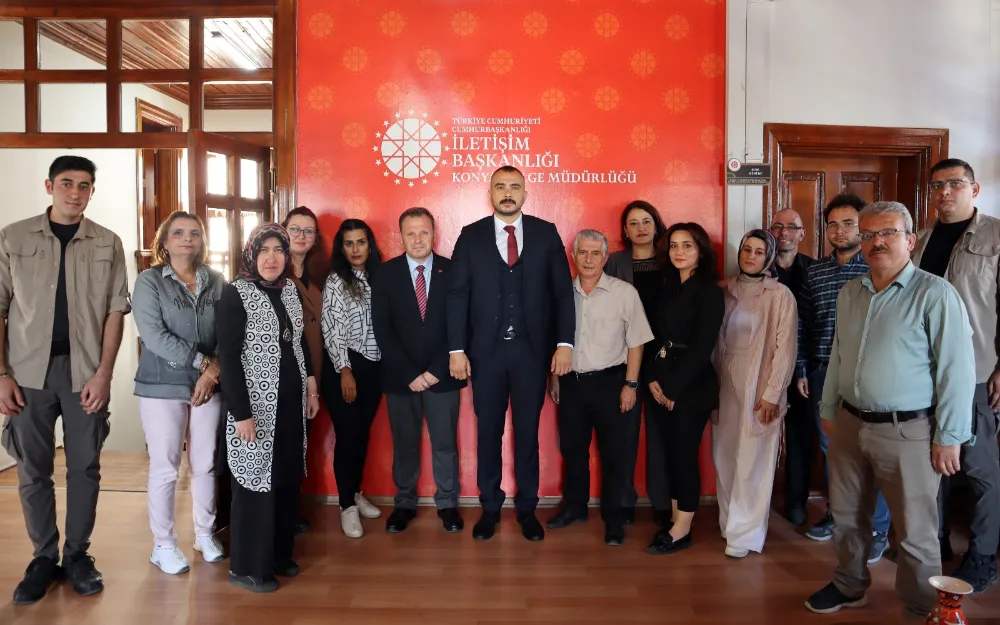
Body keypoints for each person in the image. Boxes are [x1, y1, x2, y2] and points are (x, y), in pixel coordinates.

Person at [804, 201, 975, 620]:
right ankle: (849, 583)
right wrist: (828, 408)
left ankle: (920, 608)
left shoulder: (936, 294)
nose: (876, 242)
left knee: (915, 531)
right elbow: (839, 356)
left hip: (909, 432)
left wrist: (950, 436)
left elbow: (957, 369)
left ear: (910, 241)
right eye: (868, 235)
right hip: (847, 423)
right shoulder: (851, 293)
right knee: (846, 516)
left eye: (888, 233)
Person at [0, 156, 130, 604]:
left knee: (85, 468)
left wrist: (104, 374)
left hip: (84, 375)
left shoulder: (108, 243)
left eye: (85, 185)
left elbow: (116, 310)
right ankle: (42, 558)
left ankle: (76, 556)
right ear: (49, 185)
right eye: (67, 183)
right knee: (32, 470)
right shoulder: (13, 237)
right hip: (25, 375)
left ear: (93, 191)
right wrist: (1, 374)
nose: (75, 192)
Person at [447, 165, 575, 542]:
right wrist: (457, 350)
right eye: (500, 186)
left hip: (531, 354)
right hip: (485, 355)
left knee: (527, 433)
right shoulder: (470, 236)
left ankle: (527, 509)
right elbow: (457, 296)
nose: (508, 193)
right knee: (488, 432)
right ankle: (489, 508)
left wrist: (564, 344)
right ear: (490, 193)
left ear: (525, 193)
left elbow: (561, 293)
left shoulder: (545, 233)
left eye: (514, 187)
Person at [216, 223, 320, 593]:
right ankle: (248, 568)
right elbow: (227, 358)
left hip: (290, 406)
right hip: (256, 409)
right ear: (251, 255)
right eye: (265, 251)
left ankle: (279, 555)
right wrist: (240, 412)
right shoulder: (235, 294)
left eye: (279, 250)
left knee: (285, 479)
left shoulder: (289, 289)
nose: (273, 258)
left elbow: (299, 343)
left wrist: (310, 385)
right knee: (255, 485)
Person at [912, 158, 1000, 592]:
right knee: (932, 461)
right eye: (937, 185)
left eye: (954, 183)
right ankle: (937, 541)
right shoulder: (922, 240)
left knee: (981, 468)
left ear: (974, 188)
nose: (944, 192)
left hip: (978, 370)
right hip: (924, 372)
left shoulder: (996, 236)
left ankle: (983, 556)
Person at [796, 194, 892, 565]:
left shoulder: (877, 269)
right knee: (834, 452)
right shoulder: (815, 272)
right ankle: (839, 516)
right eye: (833, 224)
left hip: (869, 373)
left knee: (873, 454)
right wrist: (802, 368)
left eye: (848, 223)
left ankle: (877, 528)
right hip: (823, 372)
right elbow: (803, 322)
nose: (840, 231)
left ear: (863, 227)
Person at [131, 211, 226, 575]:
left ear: (202, 241)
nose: (188, 239)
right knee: (166, 468)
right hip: (161, 386)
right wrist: (205, 363)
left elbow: (228, 330)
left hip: (208, 384)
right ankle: (164, 544)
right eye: (179, 233)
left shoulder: (216, 280)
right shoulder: (149, 281)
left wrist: (212, 370)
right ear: (165, 242)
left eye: (195, 233)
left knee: (204, 463)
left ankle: (204, 533)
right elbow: (153, 336)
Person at [546, 230, 653, 546]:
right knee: (573, 451)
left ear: (606, 257)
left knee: (615, 455)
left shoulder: (624, 293)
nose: (589, 259)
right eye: (583, 253)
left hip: (612, 383)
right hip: (572, 385)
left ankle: (614, 519)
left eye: (596, 253)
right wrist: (554, 378)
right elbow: (556, 342)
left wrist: (631, 385)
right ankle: (575, 508)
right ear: (574, 256)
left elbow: (636, 343)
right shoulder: (563, 293)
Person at [372, 207, 467, 533]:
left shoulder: (454, 271)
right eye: (410, 233)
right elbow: (382, 329)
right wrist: (411, 373)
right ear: (401, 236)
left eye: (423, 232)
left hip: (443, 375)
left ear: (433, 234)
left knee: (445, 443)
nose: (417, 239)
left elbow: (462, 325)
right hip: (402, 379)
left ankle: (448, 504)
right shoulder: (385, 274)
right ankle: (404, 504)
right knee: (405, 444)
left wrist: (435, 370)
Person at [713, 229, 797, 559]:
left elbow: (785, 350)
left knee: (754, 459)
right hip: (724, 379)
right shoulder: (724, 289)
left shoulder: (779, 295)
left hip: (759, 381)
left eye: (759, 252)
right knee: (725, 454)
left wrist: (773, 394)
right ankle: (728, 521)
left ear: (770, 256)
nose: (750, 256)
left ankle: (746, 533)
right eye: (746, 249)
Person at [644, 223, 725, 555]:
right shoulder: (665, 285)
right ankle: (677, 518)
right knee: (670, 454)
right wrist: (652, 377)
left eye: (687, 246)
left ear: (701, 251)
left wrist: (673, 390)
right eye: (674, 245)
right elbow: (654, 338)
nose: (679, 252)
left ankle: (682, 529)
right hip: (661, 380)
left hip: (692, 387)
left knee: (684, 456)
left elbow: (703, 345)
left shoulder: (709, 290)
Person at [603, 200, 669, 526]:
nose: (641, 227)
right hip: (623, 359)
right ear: (625, 231)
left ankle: (660, 502)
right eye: (633, 223)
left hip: (661, 360)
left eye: (646, 221)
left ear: (657, 226)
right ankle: (623, 501)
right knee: (623, 437)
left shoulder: (671, 261)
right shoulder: (613, 262)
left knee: (660, 437)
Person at [321, 219, 384, 538]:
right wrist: (345, 369)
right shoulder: (336, 281)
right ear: (341, 248)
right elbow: (332, 329)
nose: (356, 249)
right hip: (345, 368)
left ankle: (356, 492)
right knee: (347, 437)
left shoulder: (380, 277)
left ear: (370, 245)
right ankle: (346, 505)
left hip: (375, 368)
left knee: (362, 434)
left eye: (361, 242)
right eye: (349, 243)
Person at [282, 206, 330, 535]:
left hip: (316, 370)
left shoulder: (320, 272)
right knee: (283, 444)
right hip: (284, 373)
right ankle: (282, 509)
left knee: (302, 442)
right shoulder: (272, 269)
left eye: (308, 231)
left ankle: (293, 504)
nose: (301, 236)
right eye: (295, 229)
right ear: (283, 231)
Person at [768, 208, 815, 527]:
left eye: (791, 227)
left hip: (804, 369)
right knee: (760, 433)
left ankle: (796, 502)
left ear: (802, 234)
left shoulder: (815, 270)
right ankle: (758, 500)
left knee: (801, 436)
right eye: (777, 226)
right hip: (764, 365)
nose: (784, 232)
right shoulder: (758, 266)